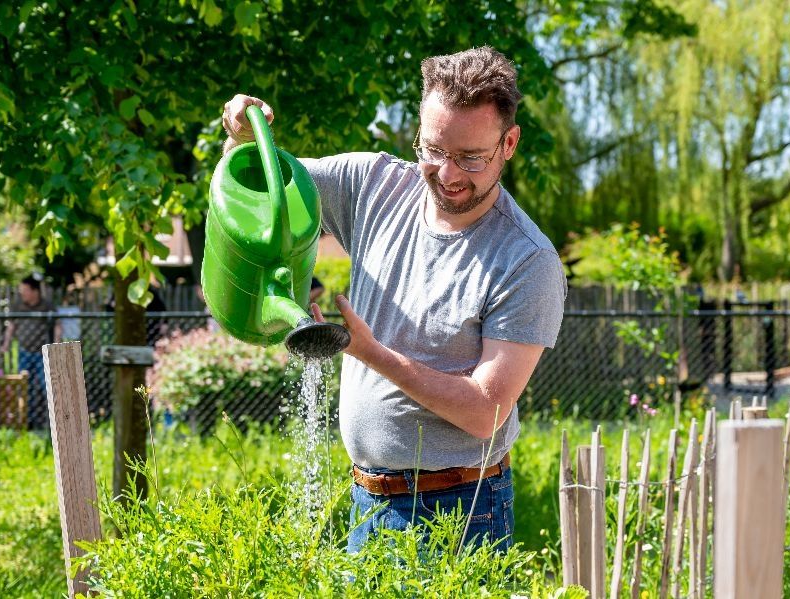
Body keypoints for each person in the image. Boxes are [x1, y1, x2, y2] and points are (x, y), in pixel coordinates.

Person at [222, 46, 566, 553]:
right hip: (368, 497)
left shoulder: (526, 260)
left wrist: (370, 352)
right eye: (433, 150)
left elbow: (485, 413)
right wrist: (239, 139)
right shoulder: (372, 185)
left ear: (509, 142)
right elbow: (260, 195)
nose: (447, 174)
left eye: (471, 157)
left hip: (461, 509)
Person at [1, 275, 60, 429]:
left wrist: (56, 345)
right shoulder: (18, 305)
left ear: (35, 291)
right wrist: (6, 344)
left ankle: (52, 423)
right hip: (24, 352)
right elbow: (11, 326)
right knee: (24, 386)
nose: (22, 294)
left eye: (25, 291)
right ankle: (25, 421)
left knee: (46, 385)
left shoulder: (47, 306)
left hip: (42, 353)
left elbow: (57, 326)